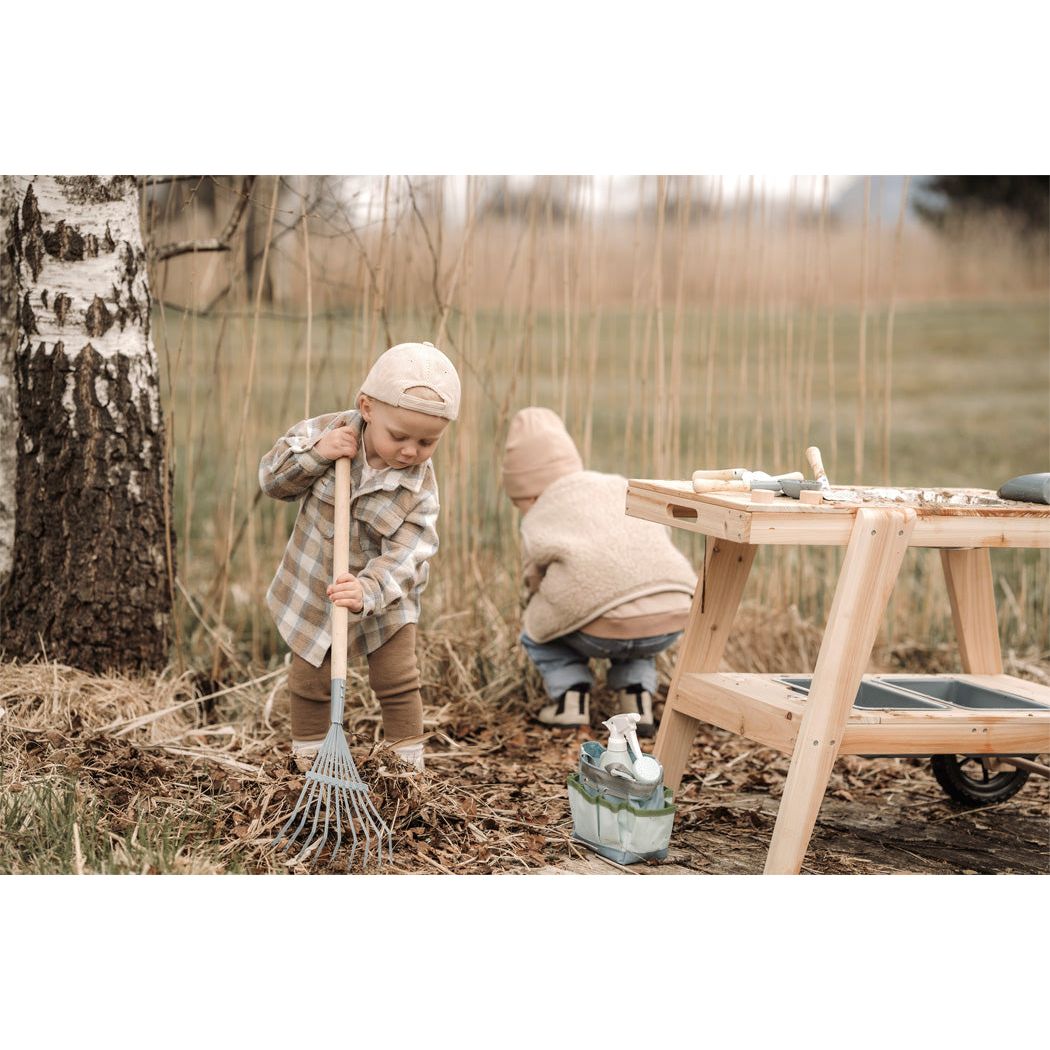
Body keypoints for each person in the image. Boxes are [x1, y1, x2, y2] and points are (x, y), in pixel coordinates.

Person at [259, 341, 460, 771]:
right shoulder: (325, 432)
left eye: (428, 441)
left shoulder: (419, 488)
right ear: (367, 407)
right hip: (318, 586)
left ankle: (407, 769)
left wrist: (368, 588)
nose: (411, 451)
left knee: (397, 677)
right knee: (310, 678)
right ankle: (312, 766)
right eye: (399, 436)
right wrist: (317, 455)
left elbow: (411, 552)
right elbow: (272, 481)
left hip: (384, 595)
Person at [502, 407, 697, 736]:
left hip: (601, 627)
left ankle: (570, 699)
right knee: (636, 620)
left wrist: (536, 597)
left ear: (529, 493)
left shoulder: (543, 509)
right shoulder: (616, 485)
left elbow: (533, 579)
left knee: (537, 627)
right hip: (671, 611)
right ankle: (637, 704)